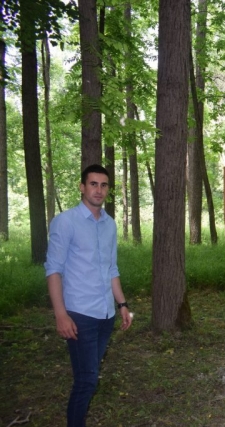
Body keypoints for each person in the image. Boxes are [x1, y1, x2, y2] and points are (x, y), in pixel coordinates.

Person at [45, 164, 132, 427]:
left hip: (105, 314)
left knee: (88, 377)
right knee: (86, 380)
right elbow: (53, 270)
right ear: (82, 187)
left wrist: (122, 305)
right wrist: (61, 314)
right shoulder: (65, 222)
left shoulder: (110, 224)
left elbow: (111, 269)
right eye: (93, 184)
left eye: (104, 185)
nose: (99, 190)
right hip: (79, 314)